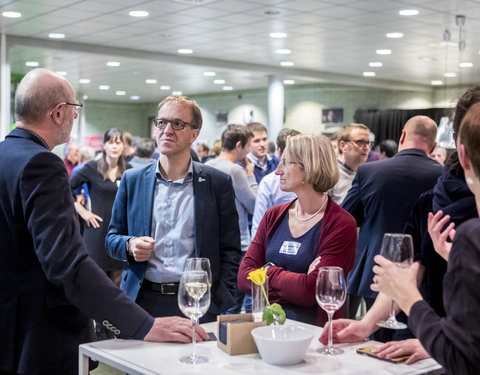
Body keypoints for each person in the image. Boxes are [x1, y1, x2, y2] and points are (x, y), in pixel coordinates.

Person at [0, 69, 206, 375]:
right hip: (36, 335)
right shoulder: (42, 164)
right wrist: (141, 324)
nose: (75, 117)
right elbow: (67, 266)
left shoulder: (6, 154)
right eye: (74, 109)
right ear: (58, 113)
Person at [320, 85, 480, 364]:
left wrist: (438, 338)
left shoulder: (467, 230)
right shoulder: (432, 199)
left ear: (460, 148)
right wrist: (366, 324)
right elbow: (413, 268)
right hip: (431, 335)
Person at [105, 95, 242, 321]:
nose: (167, 130)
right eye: (161, 123)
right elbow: (111, 240)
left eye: (177, 124)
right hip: (142, 301)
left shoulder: (217, 183)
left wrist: (218, 302)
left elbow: (231, 250)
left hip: (197, 302)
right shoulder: (133, 180)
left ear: (194, 134)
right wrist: (130, 245)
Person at [371, 102, 480, 375]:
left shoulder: (472, 236)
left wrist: (407, 297)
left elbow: (465, 358)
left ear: (462, 152)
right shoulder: (430, 201)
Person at [238, 134, 357, 326]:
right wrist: (298, 279)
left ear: (308, 167)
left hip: (314, 336)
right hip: (264, 329)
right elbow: (243, 278)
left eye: (284, 163)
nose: (277, 171)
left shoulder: (341, 224)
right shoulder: (273, 216)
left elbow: (312, 291)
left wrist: (266, 272)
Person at [343, 116, 442, 324]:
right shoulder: (442, 176)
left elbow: (347, 217)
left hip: (376, 270)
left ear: (403, 135)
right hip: (424, 278)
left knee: (374, 343)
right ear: (433, 146)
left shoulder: (369, 171)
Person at [206, 124, 257, 313]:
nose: (250, 150)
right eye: (249, 145)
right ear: (239, 145)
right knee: (234, 302)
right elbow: (253, 204)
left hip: (215, 241)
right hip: (238, 242)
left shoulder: (207, 165)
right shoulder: (235, 171)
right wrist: (250, 175)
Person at [70, 128, 127, 286]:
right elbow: (65, 188)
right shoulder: (91, 168)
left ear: (123, 146)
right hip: (97, 230)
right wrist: (83, 212)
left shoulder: (130, 170)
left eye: (118, 142)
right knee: (96, 283)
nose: (114, 146)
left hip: (121, 232)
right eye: (110, 142)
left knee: (118, 284)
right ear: (104, 146)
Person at [251, 128, 300, 239]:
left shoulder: (269, 181)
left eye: (264, 139)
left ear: (279, 151)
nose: (262, 144)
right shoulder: (269, 181)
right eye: (257, 141)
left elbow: (258, 225)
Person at [328, 124, 370, 204]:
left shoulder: (367, 174)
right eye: (360, 142)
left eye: (368, 143)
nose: (366, 147)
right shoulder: (329, 174)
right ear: (343, 146)